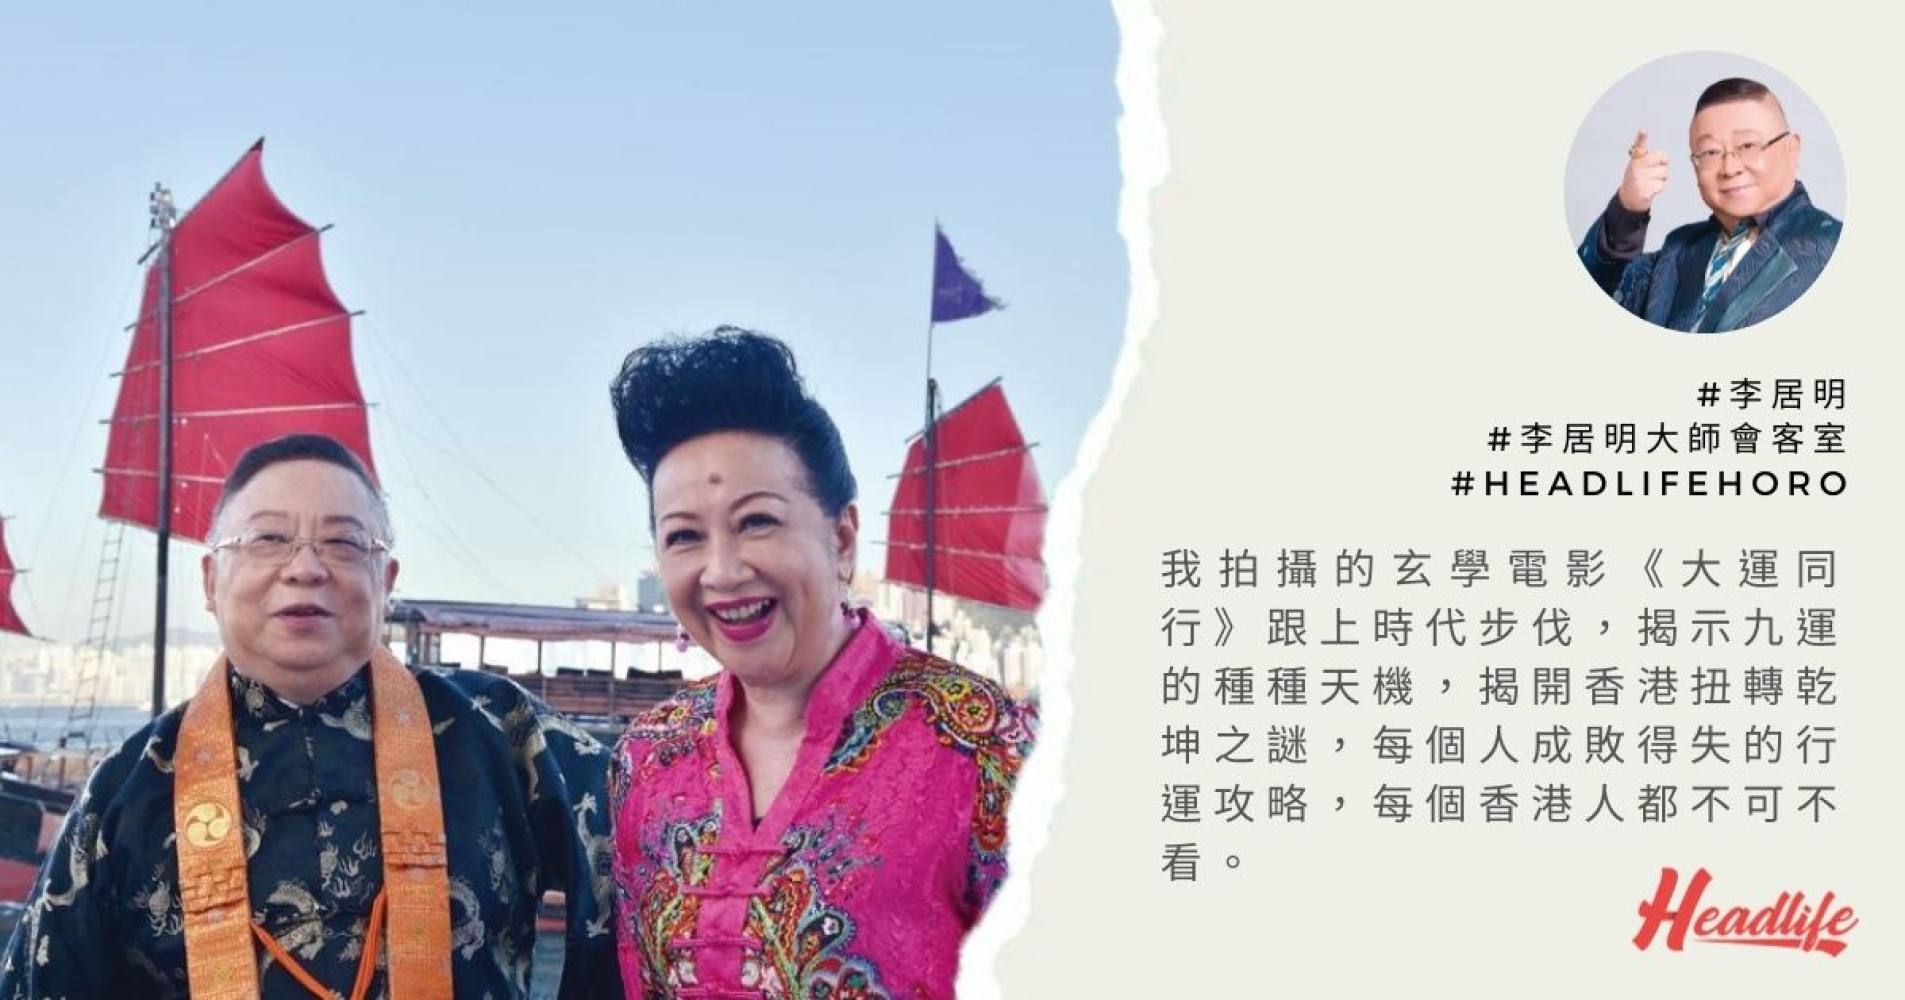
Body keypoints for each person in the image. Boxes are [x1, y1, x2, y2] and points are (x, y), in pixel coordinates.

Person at [0, 434, 621, 999]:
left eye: (344, 543)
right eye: (268, 539)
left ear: (386, 580)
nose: (304, 568)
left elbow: (651, 876)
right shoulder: (129, 784)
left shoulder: (499, 731)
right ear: (211, 580)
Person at [606, 329, 1037, 999]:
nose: (722, 571)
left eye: (756, 522)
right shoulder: (646, 758)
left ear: (841, 540)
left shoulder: (986, 747)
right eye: (684, 536)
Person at [1577, 77, 1841, 332]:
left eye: (1748, 145)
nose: (1730, 168)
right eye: (1711, 152)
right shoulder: (1678, 250)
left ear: (1792, 149)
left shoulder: (1830, 245)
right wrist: (1627, 209)